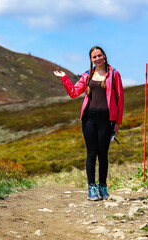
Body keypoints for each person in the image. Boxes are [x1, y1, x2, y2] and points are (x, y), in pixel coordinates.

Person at [53, 46, 124, 200]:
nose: (97, 58)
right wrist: (65, 77)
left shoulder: (114, 74)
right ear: (91, 60)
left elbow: (120, 99)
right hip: (89, 118)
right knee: (91, 153)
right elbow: (73, 93)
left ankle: (103, 187)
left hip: (107, 119)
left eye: (99, 55)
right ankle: (91, 188)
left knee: (103, 154)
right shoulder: (87, 75)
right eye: (94, 57)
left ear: (104, 56)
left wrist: (118, 121)